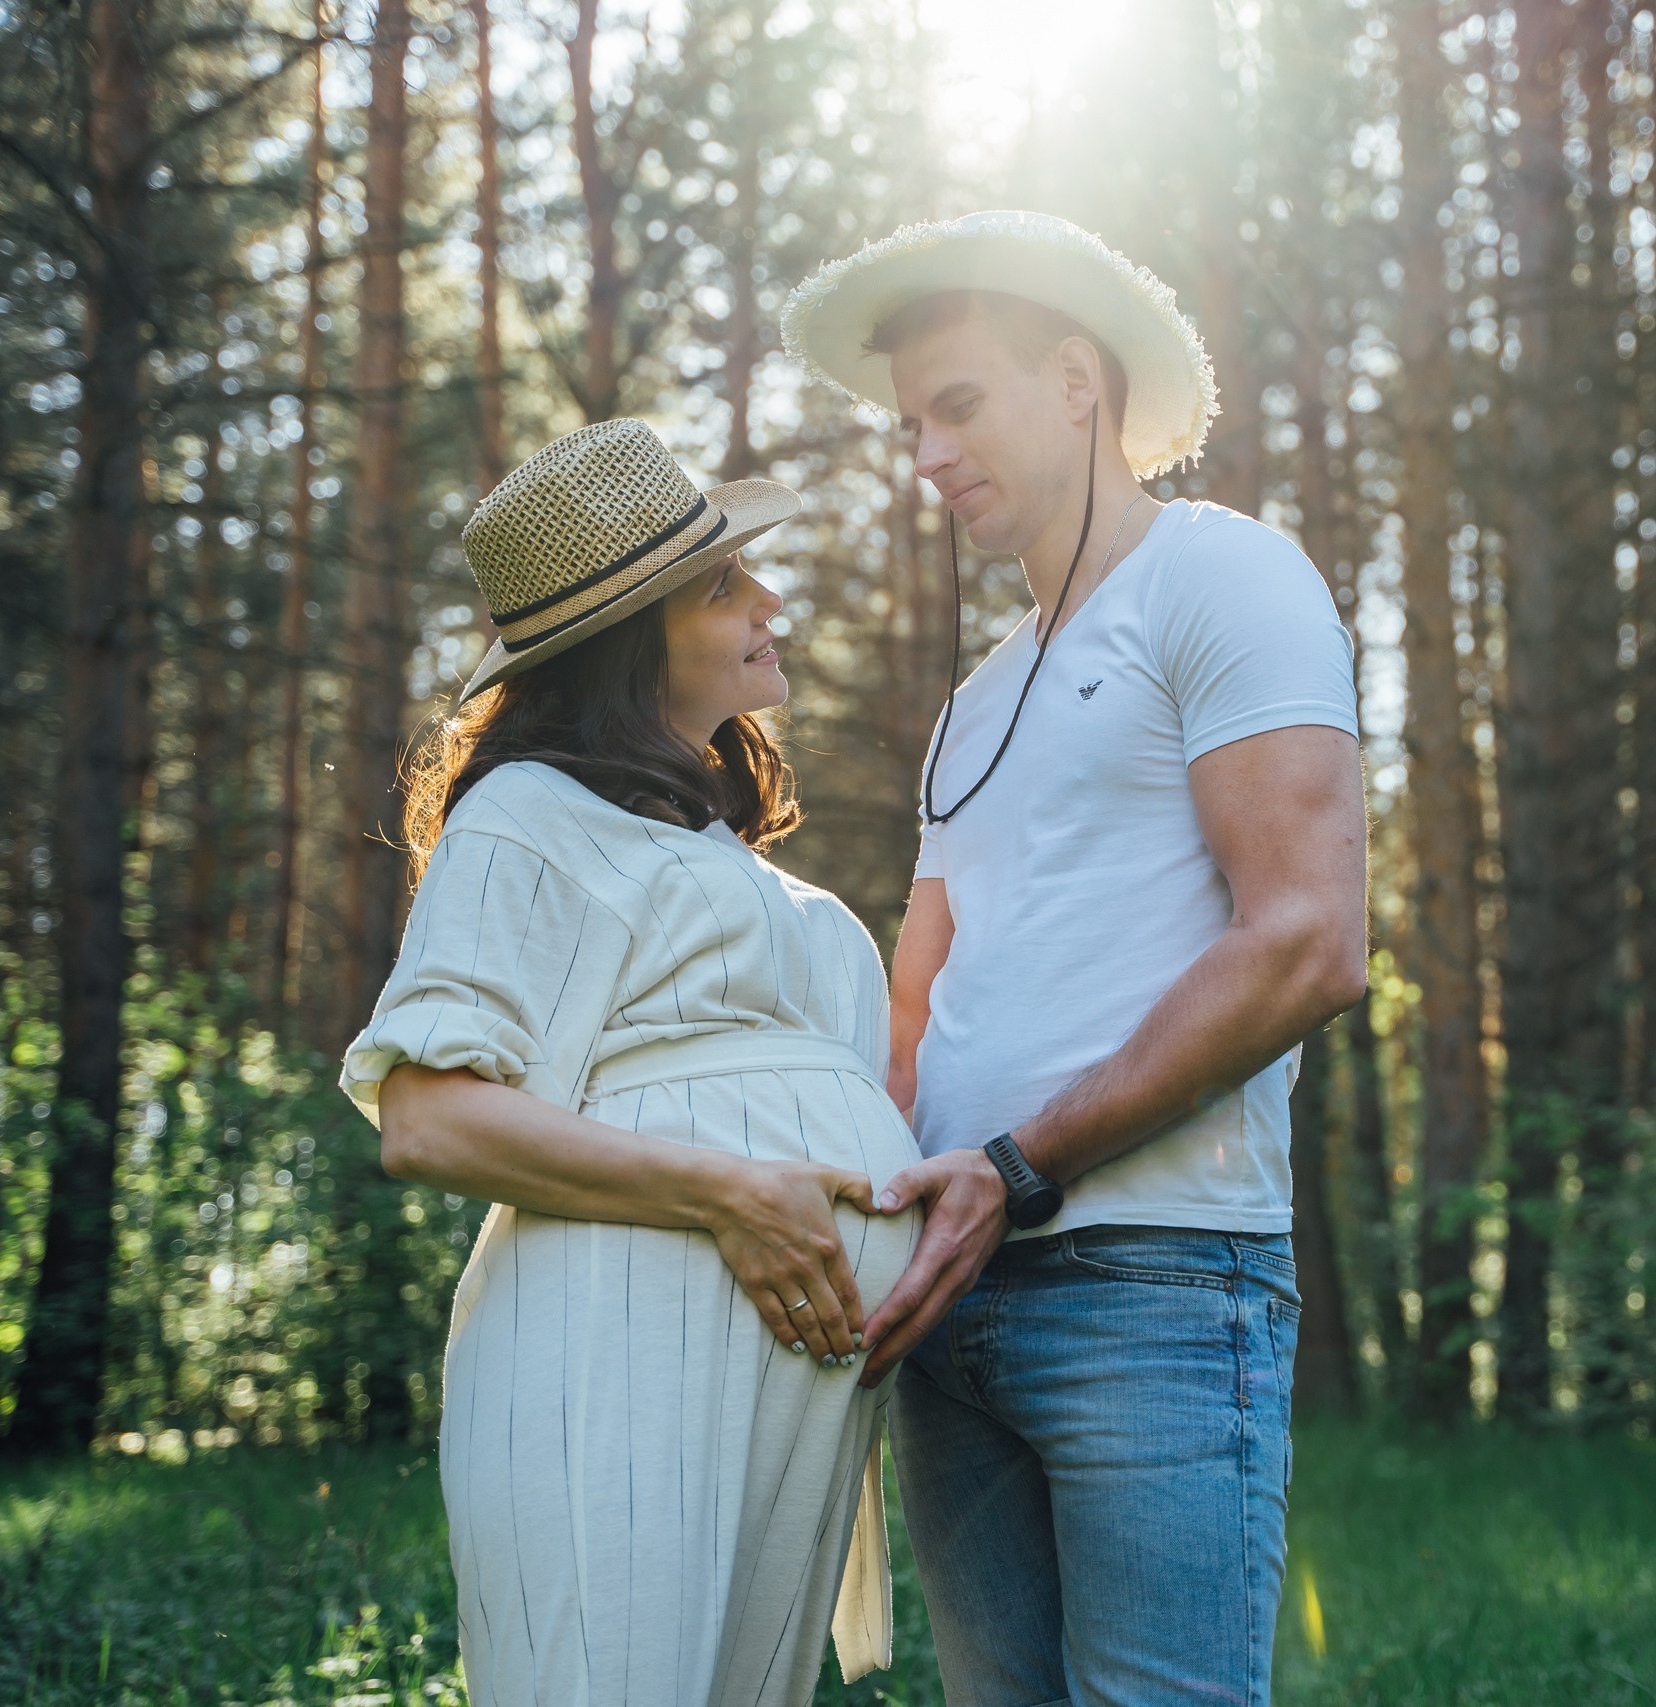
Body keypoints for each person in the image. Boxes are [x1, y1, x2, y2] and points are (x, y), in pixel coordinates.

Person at [781, 211, 1371, 1706]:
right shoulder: (976, 699)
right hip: (951, 1296)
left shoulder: (1224, 578)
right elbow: (919, 1002)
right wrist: (869, 1216)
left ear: (1074, 380)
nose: (927, 455)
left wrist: (1019, 1166)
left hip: (1155, 1284)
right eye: (911, 425)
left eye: (957, 405)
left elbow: (1308, 943)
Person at [339, 418, 915, 1706]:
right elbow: (427, 1118)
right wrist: (731, 1192)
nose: (771, 600)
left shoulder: (712, 852)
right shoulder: (525, 812)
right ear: (628, 637)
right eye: (725, 585)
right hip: (616, 1344)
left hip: (788, 1358)